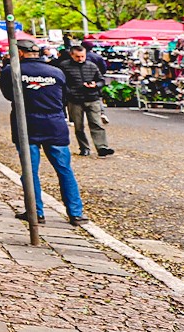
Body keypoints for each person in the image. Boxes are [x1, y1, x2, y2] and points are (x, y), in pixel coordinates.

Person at [11, 39, 85, 225]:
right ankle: (76, 213)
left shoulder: (13, 71)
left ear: (19, 53)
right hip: (55, 125)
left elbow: (8, 94)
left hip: (27, 125)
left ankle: (36, 212)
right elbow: (63, 96)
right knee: (64, 170)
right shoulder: (56, 72)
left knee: (30, 171)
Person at [58, 41, 114, 158]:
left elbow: (101, 80)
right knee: (79, 126)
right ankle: (84, 147)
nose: (80, 59)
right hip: (75, 100)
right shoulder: (64, 66)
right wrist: (69, 93)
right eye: (77, 56)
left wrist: (96, 85)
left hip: (92, 98)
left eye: (82, 56)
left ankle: (102, 147)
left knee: (96, 123)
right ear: (72, 55)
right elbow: (62, 83)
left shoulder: (91, 66)